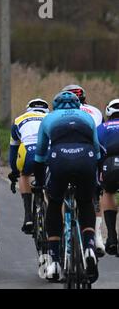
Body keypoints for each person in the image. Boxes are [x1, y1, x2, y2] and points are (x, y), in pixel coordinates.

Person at [34, 91, 100, 283]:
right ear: (78, 104)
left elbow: (39, 156)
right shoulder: (86, 117)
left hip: (60, 159)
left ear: (55, 106)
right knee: (86, 202)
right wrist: (96, 182)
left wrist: (39, 184)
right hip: (85, 158)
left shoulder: (48, 118)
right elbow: (97, 152)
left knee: (54, 204)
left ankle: (54, 261)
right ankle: (89, 246)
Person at [62, 84, 105, 256]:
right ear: (84, 98)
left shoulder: (58, 114)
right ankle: (98, 238)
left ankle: (64, 236)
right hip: (89, 157)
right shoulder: (94, 111)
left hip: (63, 157)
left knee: (60, 196)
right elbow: (99, 139)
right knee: (94, 197)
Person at [8, 98, 49, 234]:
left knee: (23, 174)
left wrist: (14, 171)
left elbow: (13, 150)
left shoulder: (18, 120)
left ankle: (28, 216)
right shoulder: (51, 118)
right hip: (48, 151)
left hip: (27, 150)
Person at [97, 99, 119, 255]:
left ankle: (111, 237)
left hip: (109, 165)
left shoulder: (101, 128)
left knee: (108, 192)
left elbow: (96, 150)